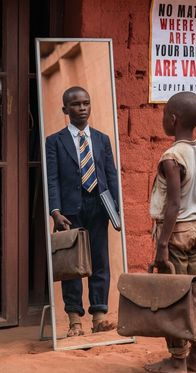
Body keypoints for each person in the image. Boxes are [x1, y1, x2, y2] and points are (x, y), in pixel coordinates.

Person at [146, 92, 196, 373]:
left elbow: (173, 204)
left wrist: (162, 245)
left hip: (175, 233)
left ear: (172, 120)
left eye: (164, 114)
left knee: (174, 294)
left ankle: (177, 360)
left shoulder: (172, 156)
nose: (164, 118)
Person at [46, 86, 119, 336]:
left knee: (100, 260)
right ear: (65, 109)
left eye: (86, 103)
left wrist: (115, 210)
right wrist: (55, 211)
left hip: (98, 208)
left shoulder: (101, 139)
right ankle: (74, 319)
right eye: (76, 104)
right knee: (72, 264)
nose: (82, 108)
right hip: (69, 211)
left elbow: (111, 175)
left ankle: (98, 316)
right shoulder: (54, 141)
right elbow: (52, 178)